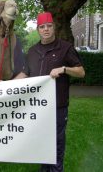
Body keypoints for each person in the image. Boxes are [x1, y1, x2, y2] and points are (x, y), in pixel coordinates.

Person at [16, 12, 85, 172]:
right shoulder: (32, 51)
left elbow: (81, 72)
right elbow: (25, 73)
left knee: (56, 144)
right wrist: (5, 85)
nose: (46, 29)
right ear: (38, 29)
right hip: (37, 107)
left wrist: (64, 69)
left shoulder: (65, 48)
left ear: (54, 27)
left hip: (57, 107)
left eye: (49, 26)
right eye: (42, 27)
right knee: (42, 144)